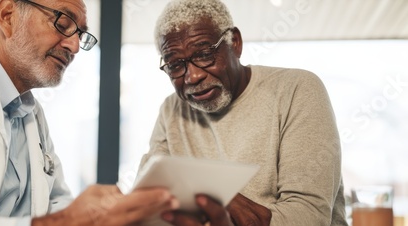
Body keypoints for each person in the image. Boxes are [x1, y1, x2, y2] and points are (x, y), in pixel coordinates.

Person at [0, 0, 179, 225]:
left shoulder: (30, 111)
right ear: (8, 15)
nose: (74, 47)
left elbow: (56, 202)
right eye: (62, 24)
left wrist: (109, 214)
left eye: (80, 36)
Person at [138, 0, 348, 225]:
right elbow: (147, 206)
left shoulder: (296, 89)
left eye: (204, 53)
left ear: (235, 43)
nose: (192, 77)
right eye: (175, 65)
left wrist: (219, 201)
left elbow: (309, 216)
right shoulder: (171, 110)